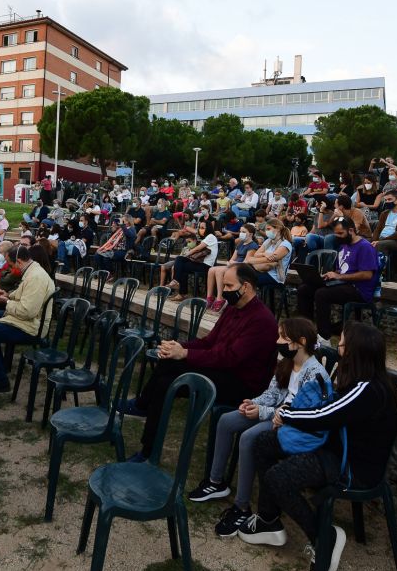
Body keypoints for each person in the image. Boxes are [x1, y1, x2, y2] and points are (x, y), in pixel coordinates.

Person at [236, 322, 397, 571]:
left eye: (343, 344)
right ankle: (268, 520)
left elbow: (325, 415)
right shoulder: (364, 383)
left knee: (278, 478)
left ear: (356, 352)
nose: (338, 348)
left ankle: (323, 536)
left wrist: (286, 414)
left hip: (351, 469)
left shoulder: (367, 389)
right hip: (335, 452)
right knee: (266, 442)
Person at [117, 263, 277, 460]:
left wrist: (185, 354)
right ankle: (143, 405)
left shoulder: (261, 320)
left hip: (241, 384)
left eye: (228, 286)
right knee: (168, 361)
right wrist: (179, 347)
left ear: (246, 287)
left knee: (168, 384)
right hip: (224, 370)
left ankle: (148, 450)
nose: (224, 291)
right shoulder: (233, 308)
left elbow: (229, 358)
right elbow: (209, 342)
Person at [188, 318, 329, 537]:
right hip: (271, 413)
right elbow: (273, 393)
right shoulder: (286, 361)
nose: (278, 341)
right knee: (226, 420)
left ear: (300, 341)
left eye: (283, 336)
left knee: (248, 437)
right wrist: (254, 402)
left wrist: (261, 412)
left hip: (286, 423)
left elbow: (298, 414)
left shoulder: (315, 374)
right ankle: (215, 481)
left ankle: (242, 507)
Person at [0, 245, 56, 393]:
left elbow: (27, 311)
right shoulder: (31, 270)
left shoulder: (36, 277)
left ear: (19, 261)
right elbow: (22, 294)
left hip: (31, 327)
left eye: (11, 265)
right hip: (26, 320)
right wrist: (7, 295)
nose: (11, 269)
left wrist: (7, 302)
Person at [297, 218, 380, 344]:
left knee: (322, 294)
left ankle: (324, 338)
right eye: (335, 233)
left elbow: (367, 274)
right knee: (304, 289)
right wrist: (330, 275)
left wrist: (339, 277)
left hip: (359, 289)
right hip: (343, 284)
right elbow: (341, 270)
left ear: (351, 230)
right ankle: (305, 331)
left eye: (340, 233)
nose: (337, 237)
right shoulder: (344, 246)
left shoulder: (365, 247)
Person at [205, 224, 259, 311]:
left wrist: (234, 263)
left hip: (243, 268)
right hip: (235, 265)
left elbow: (247, 262)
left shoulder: (253, 245)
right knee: (211, 270)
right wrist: (230, 262)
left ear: (251, 234)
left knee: (219, 271)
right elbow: (233, 258)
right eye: (240, 231)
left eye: (244, 232)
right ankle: (209, 298)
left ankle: (220, 299)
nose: (241, 233)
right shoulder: (240, 243)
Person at [244, 220, 294, 289]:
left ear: (278, 229)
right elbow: (256, 254)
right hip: (261, 270)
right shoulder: (268, 241)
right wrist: (265, 254)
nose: (267, 232)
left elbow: (271, 259)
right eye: (266, 229)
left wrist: (249, 260)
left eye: (268, 229)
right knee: (240, 275)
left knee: (244, 280)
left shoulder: (285, 244)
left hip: (274, 277)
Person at [370, 192, 397, 262]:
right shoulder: (384, 213)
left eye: (389, 199)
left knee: (381, 244)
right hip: (381, 239)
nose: (387, 202)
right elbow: (377, 229)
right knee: (363, 242)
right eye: (385, 200)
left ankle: (382, 269)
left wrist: (379, 241)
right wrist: (374, 240)